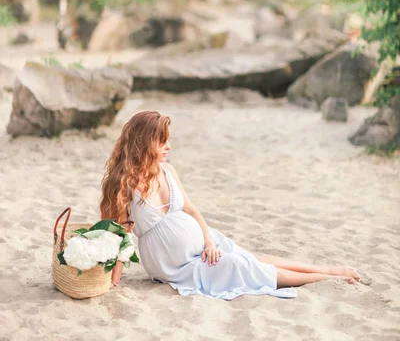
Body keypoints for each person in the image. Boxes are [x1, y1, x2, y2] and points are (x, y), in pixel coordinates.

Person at [100, 110, 360, 301]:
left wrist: (209, 241)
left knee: (249, 257)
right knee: (239, 265)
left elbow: (191, 210)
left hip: (205, 243)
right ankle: (325, 279)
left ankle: (326, 269)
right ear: (145, 143)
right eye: (162, 141)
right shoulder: (123, 185)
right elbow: (119, 236)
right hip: (175, 265)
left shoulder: (167, 170)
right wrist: (114, 279)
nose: (169, 146)